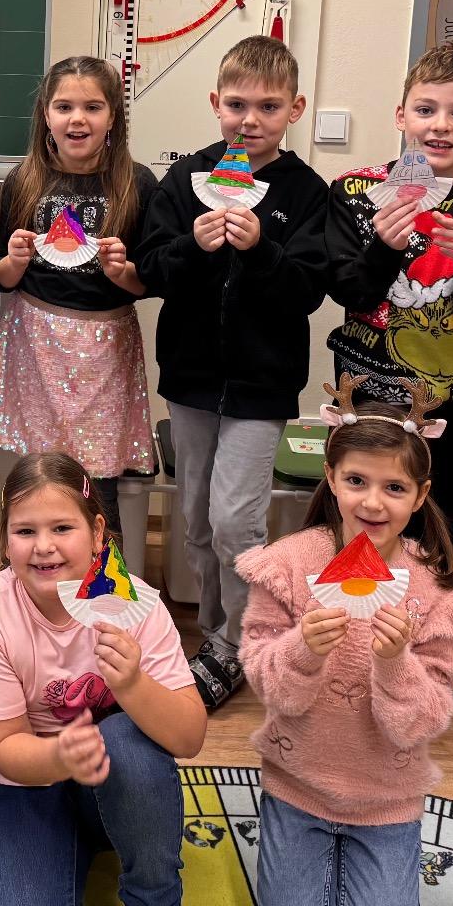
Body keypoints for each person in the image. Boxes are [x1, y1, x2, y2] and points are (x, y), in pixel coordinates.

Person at [132, 36, 328, 710]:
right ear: (217, 103)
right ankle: (218, 631)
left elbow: (308, 290)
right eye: (238, 104)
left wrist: (262, 250)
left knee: (235, 522)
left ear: (295, 108)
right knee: (195, 520)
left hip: (260, 388)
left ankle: (238, 643)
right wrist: (195, 244)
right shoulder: (186, 177)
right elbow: (150, 269)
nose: (251, 119)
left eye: (269, 106)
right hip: (190, 380)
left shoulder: (305, 191)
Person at [237, 385, 453, 906]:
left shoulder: (437, 594)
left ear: (420, 494)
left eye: (394, 487)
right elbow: (267, 685)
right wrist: (302, 649)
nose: (372, 502)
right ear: (330, 478)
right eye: (356, 481)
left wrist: (395, 664)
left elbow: (425, 722)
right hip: (295, 784)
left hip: (389, 798)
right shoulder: (286, 566)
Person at [0, 452, 205, 906]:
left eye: (62, 528)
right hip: (27, 784)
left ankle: (154, 894)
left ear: (96, 534)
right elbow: (6, 746)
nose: (43, 546)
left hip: (116, 786)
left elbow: (189, 737)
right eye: (25, 531)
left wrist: (133, 685)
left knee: (123, 737)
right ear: (6, 542)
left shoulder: (138, 605)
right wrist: (61, 756)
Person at [325, 39, 453, 533]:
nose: (440, 125)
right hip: (366, 390)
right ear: (401, 115)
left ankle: (427, 586)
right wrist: (384, 247)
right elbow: (347, 291)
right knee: (360, 513)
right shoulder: (355, 192)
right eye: (425, 109)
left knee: (438, 515)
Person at [0, 56, 158, 531]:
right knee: (39, 476)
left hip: (106, 349)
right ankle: (31, 567)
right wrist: (14, 261)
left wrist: (124, 272)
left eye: (92, 107)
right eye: (64, 107)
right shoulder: (23, 180)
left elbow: (150, 282)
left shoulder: (137, 183)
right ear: (46, 115)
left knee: (98, 484)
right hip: (36, 345)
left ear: (113, 116)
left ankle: (104, 570)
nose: (78, 119)